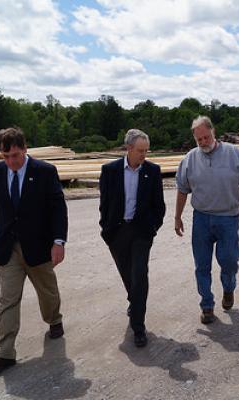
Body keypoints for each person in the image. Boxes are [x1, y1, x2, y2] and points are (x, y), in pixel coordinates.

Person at [0, 127, 68, 375]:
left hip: (39, 246)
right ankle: (4, 353)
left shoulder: (44, 172)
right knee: (8, 299)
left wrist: (58, 242)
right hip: (8, 248)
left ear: (25, 149)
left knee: (47, 291)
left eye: (16, 155)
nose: (11, 161)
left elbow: (57, 209)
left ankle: (54, 319)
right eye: (6, 156)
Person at [175, 116, 239, 324]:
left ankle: (229, 289)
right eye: (199, 140)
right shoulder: (190, 159)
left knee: (229, 261)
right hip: (201, 219)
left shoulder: (233, 154)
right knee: (201, 265)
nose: (203, 142)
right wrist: (177, 217)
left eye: (206, 137)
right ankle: (207, 305)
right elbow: (182, 190)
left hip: (228, 218)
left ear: (214, 132)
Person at [99, 129, 165, 347]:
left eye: (146, 151)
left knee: (139, 275)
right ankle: (134, 301)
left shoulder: (153, 171)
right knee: (128, 275)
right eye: (140, 151)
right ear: (128, 149)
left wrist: (152, 227)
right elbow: (105, 203)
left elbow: (159, 206)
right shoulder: (110, 171)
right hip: (117, 232)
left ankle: (138, 326)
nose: (143, 155)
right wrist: (106, 228)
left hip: (141, 232)